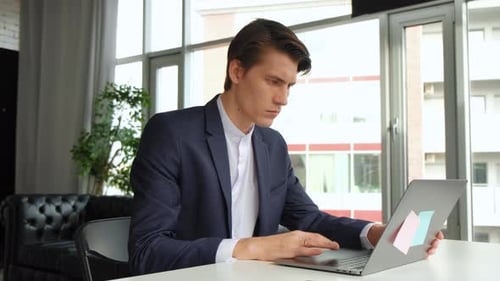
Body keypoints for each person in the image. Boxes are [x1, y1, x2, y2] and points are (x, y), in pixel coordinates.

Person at [128, 18, 443, 275]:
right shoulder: (172, 133)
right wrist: (255, 247)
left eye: (289, 85)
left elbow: (309, 219)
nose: (283, 99)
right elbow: (148, 250)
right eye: (273, 82)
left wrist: (375, 233)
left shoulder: (271, 144)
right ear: (236, 71)